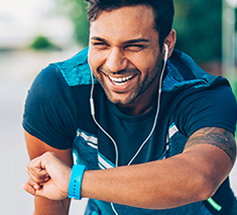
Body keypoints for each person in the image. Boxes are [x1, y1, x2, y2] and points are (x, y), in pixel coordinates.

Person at [22, 0, 237, 214]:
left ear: (168, 43)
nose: (114, 65)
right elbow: (53, 199)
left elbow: (200, 177)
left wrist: (75, 181)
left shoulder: (202, 93)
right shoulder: (59, 90)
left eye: (134, 46)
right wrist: (67, 184)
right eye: (101, 44)